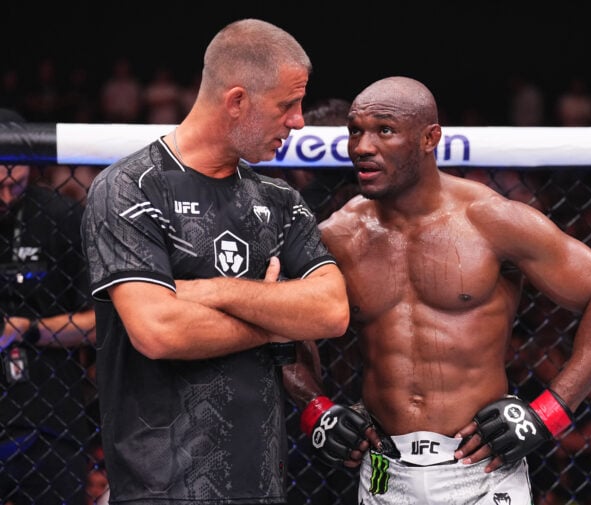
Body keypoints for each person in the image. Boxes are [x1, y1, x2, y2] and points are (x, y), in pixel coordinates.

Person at [301, 76, 591, 504]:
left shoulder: (490, 220)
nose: (362, 146)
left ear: (430, 138)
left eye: (384, 130)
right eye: (355, 130)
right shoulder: (340, 234)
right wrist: (316, 409)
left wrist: (547, 414)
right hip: (384, 469)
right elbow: (278, 332)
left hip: (482, 471)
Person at [80, 19, 349, 504]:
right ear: (237, 101)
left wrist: (216, 291)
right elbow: (160, 331)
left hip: (262, 487)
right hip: (157, 488)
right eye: (287, 104)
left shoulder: (279, 199)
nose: (299, 121)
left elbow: (331, 310)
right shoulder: (130, 187)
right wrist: (276, 320)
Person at [0, 108, 96, 505]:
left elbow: (100, 322)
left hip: (48, 419)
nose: (6, 194)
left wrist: (25, 328)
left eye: (15, 182)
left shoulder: (61, 216)